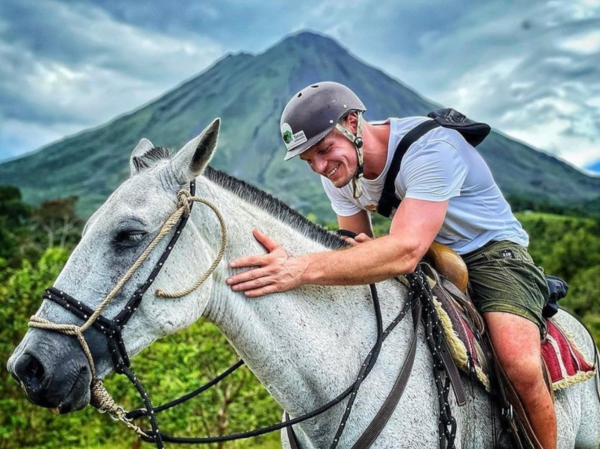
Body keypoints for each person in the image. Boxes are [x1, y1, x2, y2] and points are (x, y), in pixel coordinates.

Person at [226, 82, 555, 448]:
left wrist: (298, 268)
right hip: (425, 255)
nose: (320, 167)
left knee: (518, 364)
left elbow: (404, 250)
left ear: (352, 123)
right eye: (308, 160)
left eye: (323, 149)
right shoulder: (341, 172)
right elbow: (349, 245)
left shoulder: (432, 149)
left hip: (491, 253)